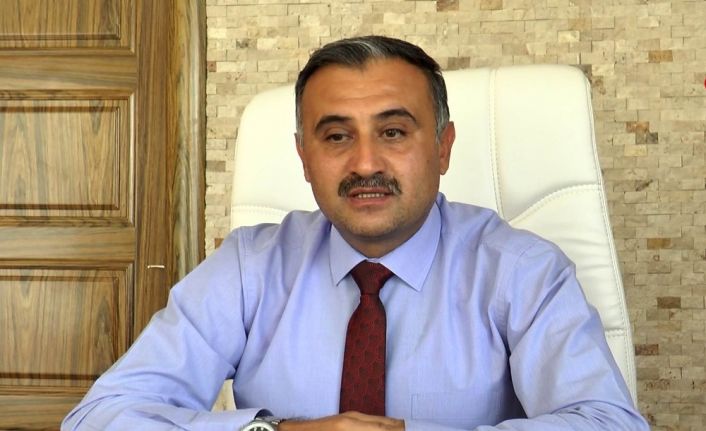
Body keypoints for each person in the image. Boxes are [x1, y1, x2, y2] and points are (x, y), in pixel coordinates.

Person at [62, 35, 649, 431]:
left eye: (393, 132)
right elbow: (99, 418)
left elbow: (607, 423)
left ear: (443, 147)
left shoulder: (521, 270)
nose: (365, 163)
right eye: (337, 137)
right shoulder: (249, 267)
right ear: (304, 157)